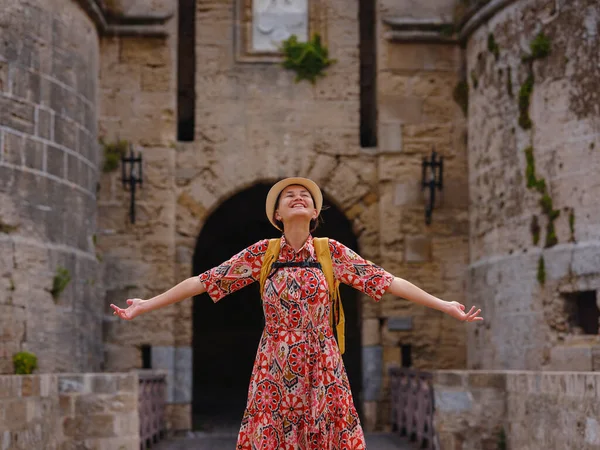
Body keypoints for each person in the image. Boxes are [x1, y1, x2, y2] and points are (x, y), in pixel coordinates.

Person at [111, 177, 483, 449]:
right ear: (277, 213)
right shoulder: (262, 254)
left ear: (316, 211)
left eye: (305, 195)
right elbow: (204, 282)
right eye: (289, 196)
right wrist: (146, 304)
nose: (298, 198)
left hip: (322, 361)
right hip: (275, 362)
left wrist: (444, 305)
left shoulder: (330, 253)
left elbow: (386, 281)